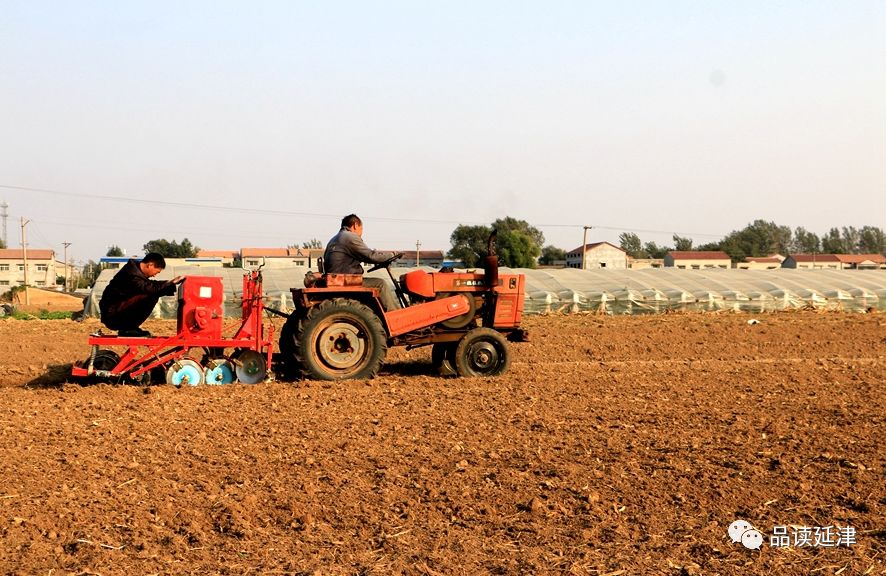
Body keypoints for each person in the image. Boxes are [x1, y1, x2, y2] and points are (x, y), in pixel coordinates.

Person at [324, 214, 400, 310]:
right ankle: (396, 316)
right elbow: (371, 256)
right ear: (356, 225)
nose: (362, 233)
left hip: (336, 279)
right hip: (345, 281)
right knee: (381, 284)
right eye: (362, 228)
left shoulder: (333, 239)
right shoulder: (350, 237)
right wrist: (392, 254)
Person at [99, 253, 184, 337]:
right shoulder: (132, 274)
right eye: (156, 272)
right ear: (150, 265)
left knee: (154, 292)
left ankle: (130, 327)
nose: (154, 275)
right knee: (151, 294)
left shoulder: (135, 271)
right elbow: (149, 288)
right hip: (113, 315)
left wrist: (169, 283)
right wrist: (170, 283)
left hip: (116, 310)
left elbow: (149, 285)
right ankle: (127, 329)